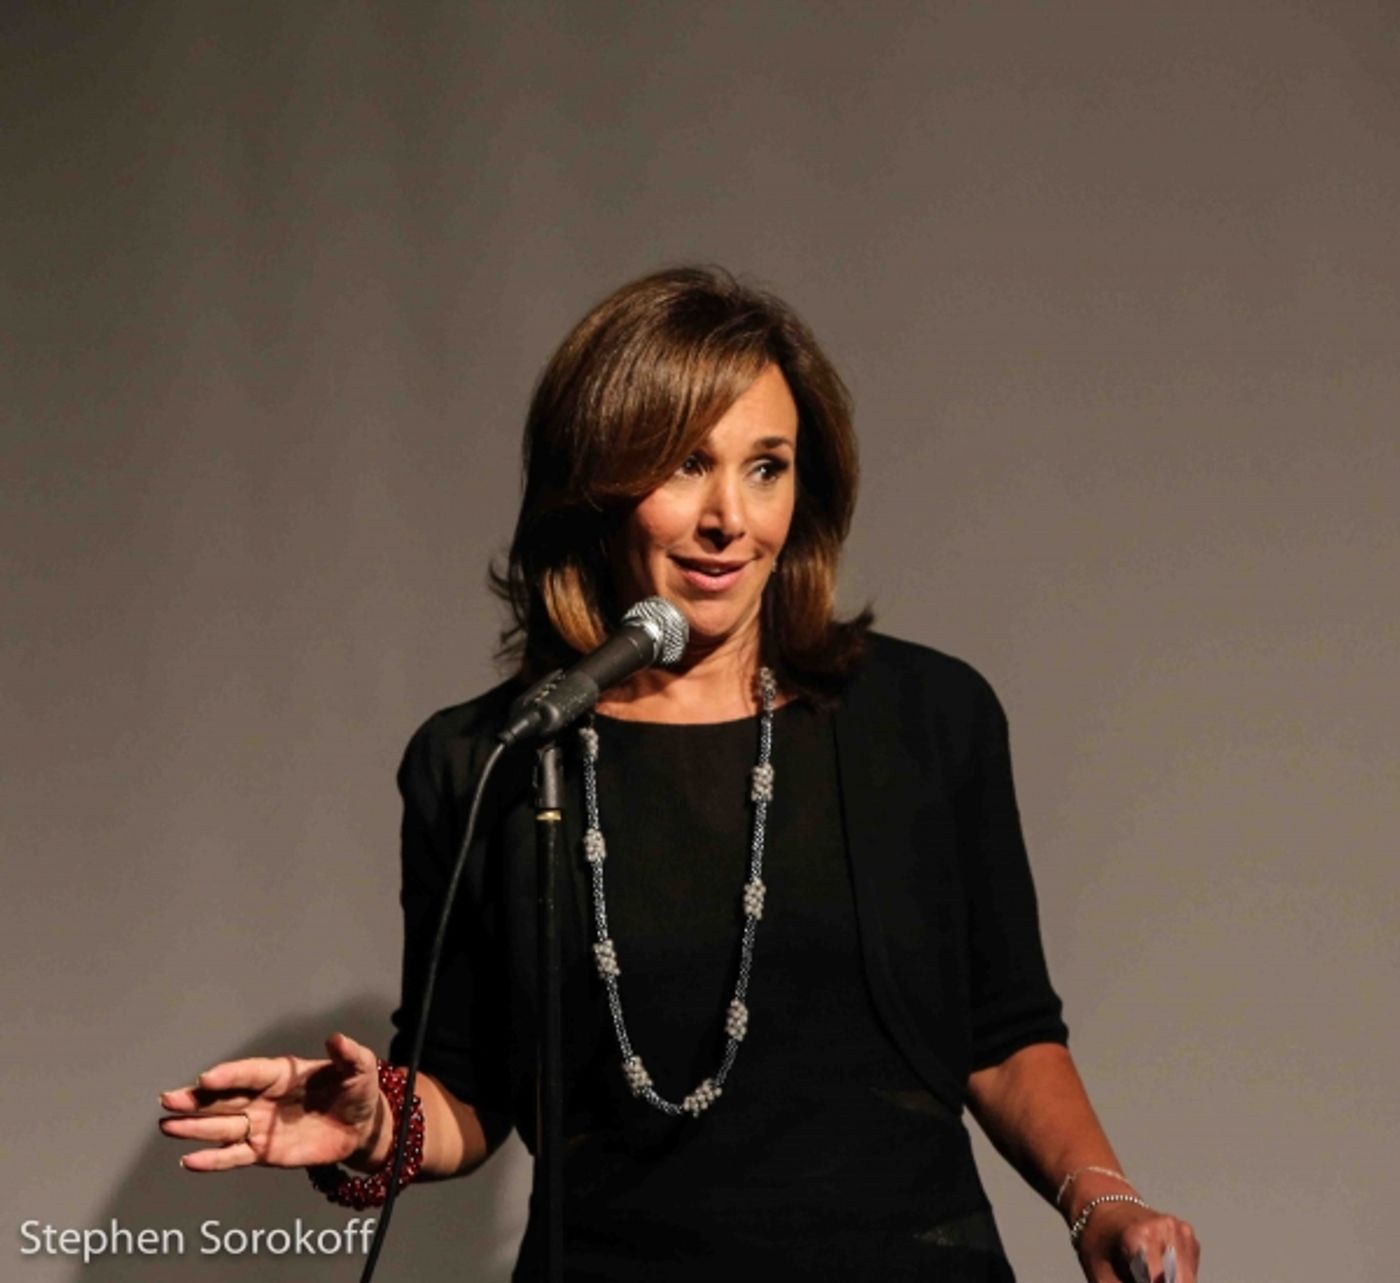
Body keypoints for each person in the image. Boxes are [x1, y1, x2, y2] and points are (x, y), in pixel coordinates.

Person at [159, 266, 1200, 1282]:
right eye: (683, 464)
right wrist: (376, 1123)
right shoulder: (489, 757)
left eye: (766, 466)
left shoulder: (925, 717)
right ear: (596, 484)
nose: (729, 520)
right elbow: (469, 1088)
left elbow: (1004, 1031)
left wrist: (1101, 1199)